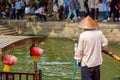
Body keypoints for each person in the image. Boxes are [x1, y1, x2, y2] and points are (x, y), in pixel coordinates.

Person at [76, 16, 108, 80]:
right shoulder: (99, 33)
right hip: (97, 63)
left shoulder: (83, 35)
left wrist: (78, 60)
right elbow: (105, 44)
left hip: (87, 64)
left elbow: (80, 51)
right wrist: (100, 48)